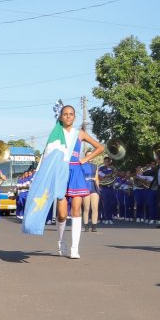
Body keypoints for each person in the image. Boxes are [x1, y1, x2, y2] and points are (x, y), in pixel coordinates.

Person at [55, 105, 104, 258]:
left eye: (71, 114)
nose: (68, 116)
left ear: (74, 117)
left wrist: (85, 159)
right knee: (62, 214)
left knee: (76, 210)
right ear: (61, 117)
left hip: (76, 172)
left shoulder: (80, 133)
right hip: (61, 172)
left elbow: (100, 147)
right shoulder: (56, 133)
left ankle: (74, 248)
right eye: (65, 114)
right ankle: (61, 242)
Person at [81, 155, 100, 233]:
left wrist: (98, 190)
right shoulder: (81, 165)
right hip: (85, 186)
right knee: (86, 208)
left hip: (93, 187)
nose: (90, 156)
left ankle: (94, 226)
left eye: (91, 154)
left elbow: (97, 178)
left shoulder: (95, 166)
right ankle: (86, 226)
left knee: (95, 208)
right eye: (88, 155)